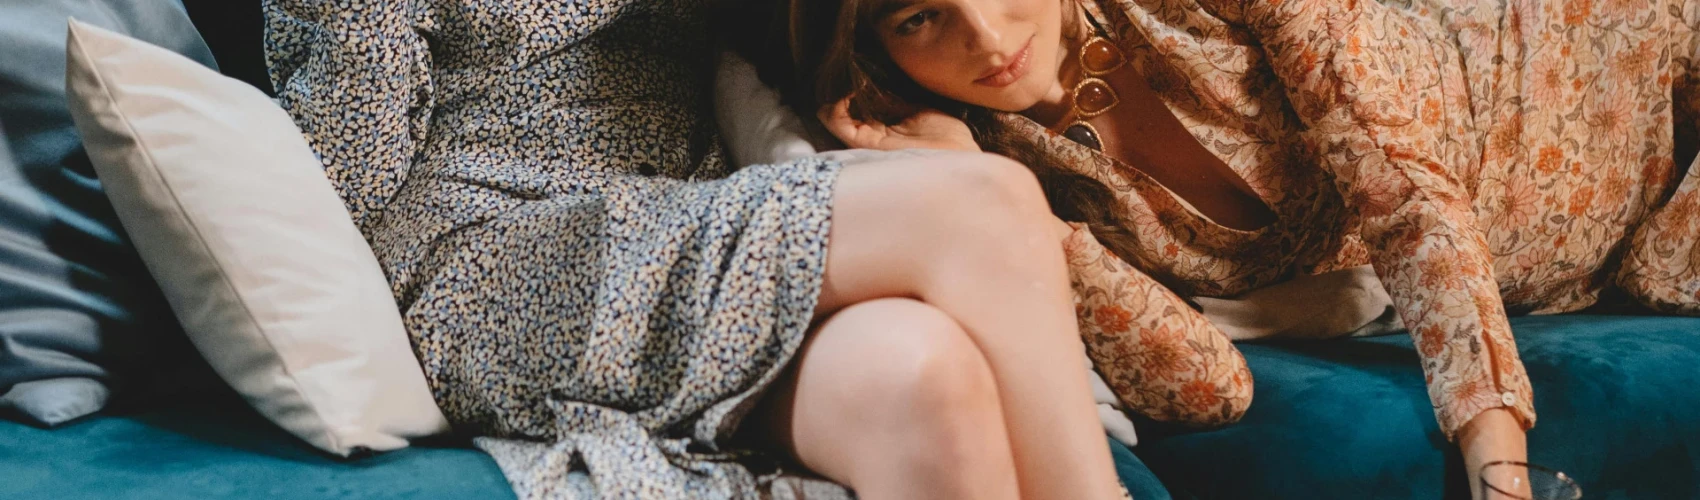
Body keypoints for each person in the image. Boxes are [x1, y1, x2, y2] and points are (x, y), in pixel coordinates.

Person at [741, 0, 1700, 496]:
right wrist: (993, 201)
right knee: (1656, 276)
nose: (987, 36)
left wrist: (1501, 474)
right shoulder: (993, 156)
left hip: (1602, 63)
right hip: (1576, 261)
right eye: (919, 16)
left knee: (1668, 275)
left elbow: (1408, 201)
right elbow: (1207, 387)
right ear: (873, 48)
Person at [261, 0, 1152, 498]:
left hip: (692, 241)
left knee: (919, 373)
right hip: (493, 266)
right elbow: (337, 180)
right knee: (981, 201)